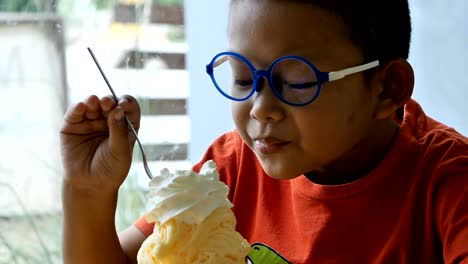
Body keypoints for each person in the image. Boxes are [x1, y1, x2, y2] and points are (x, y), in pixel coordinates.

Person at [60, 0, 468, 263]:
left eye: (296, 82)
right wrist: (88, 192)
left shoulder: (447, 182)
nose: (261, 109)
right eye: (242, 79)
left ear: (387, 88)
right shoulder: (228, 170)